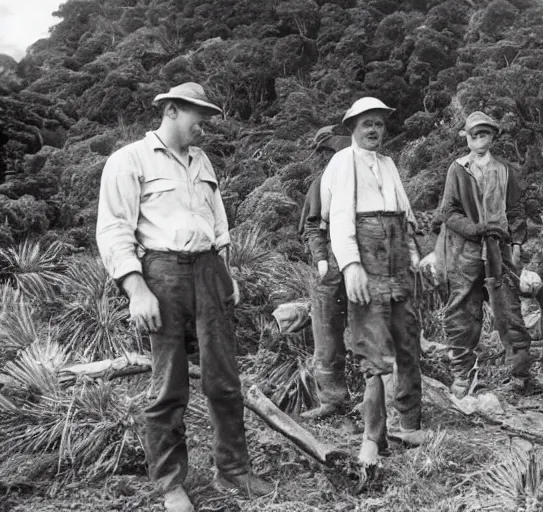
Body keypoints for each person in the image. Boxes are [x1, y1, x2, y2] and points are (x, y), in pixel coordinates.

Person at [95, 82, 273, 512]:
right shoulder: (129, 160)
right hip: (162, 273)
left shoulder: (202, 161)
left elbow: (218, 221)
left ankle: (232, 470)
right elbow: (114, 229)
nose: (205, 125)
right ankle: (170, 483)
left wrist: (226, 273)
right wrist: (136, 290)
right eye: (199, 115)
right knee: (168, 384)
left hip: (209, 270)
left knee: (224, 378)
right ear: (172, 110)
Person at [321, 97, 426, 467]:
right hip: (366, 254)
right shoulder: (342, 161)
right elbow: (339, 219)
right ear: (352, 127)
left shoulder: (389, 164)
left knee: (408, 339)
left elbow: (406, 214)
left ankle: (410, 423)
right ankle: (372, 438)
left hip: (398, 255)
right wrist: (351, 266)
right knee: (373, 349)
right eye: (367, 123)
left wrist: (414, 254)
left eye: (379, 124)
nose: (373, 130)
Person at [432, 111, 533, 397]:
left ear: (492, 137)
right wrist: (474, 229)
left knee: (509, 310)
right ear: (467, 137)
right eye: (474, 134)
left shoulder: (504, 169)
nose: (480, 139)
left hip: (499, 250)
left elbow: (515, 209)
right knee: (462, 311)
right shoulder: (458, 168)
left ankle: (521, 374)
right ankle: (463, 375)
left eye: (485, 134)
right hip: (465, 250)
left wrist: (516, 244)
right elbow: (448, 211)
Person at [297, 126, 353, 419]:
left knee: (370, 332)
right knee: (326, 331)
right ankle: (332, 399)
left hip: (366, 264)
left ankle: (378, 398)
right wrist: (321, 259)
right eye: (329, 152)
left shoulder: (370, 179)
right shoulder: (322, 183)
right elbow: (311, 226)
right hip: (331, 266)